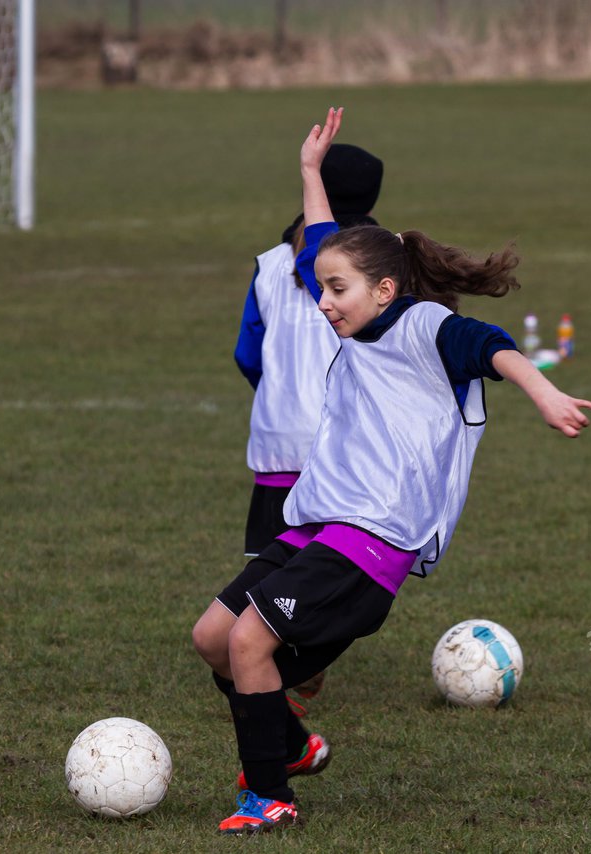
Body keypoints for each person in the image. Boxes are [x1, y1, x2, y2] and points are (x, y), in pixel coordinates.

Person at [192, 107, 591, 836]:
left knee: (251, 644)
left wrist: (544, 393)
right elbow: (325, 245)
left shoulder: (419, 328)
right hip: (324, 527)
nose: (322, 303)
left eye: (337, 290)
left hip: (371, 542)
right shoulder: (361, 316)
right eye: (320, 289)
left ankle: (267, 798)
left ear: (384, 289)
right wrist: (311, 172)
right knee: (213, 637)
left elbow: (490, 344)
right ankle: (292, 746)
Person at [231, 143, 384, 717]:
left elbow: (249, 353)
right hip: (342, 446)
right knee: (331, 565)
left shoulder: (272, 262)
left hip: (277, 441)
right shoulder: (379, 266)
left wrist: (275, 397)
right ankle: (300, 661)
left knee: (271, 563)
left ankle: (266, 662)